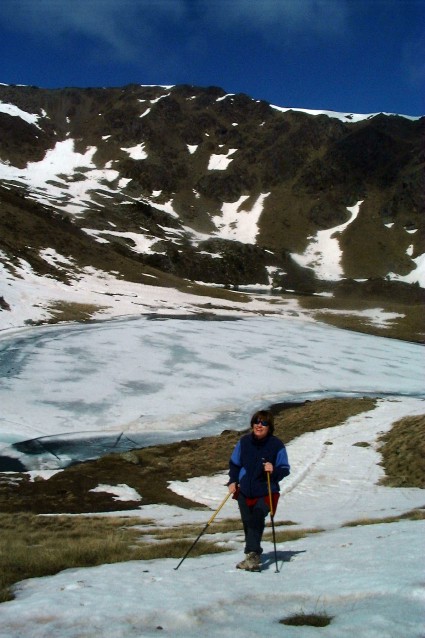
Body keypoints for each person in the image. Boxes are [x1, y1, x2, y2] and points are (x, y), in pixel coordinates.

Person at [228, 409, 290, 572]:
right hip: (245, 491)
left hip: (267, 491)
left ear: (270, 426)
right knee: (248, 524)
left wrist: (273, 470)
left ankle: (253, 556)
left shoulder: (276, 445)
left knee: (256, 519)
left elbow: (284, 469)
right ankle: (251, 555)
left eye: (263, 423)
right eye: (256, 422)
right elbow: (234, 463)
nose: (259, 425)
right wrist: (233, 480)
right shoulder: (244, 442)